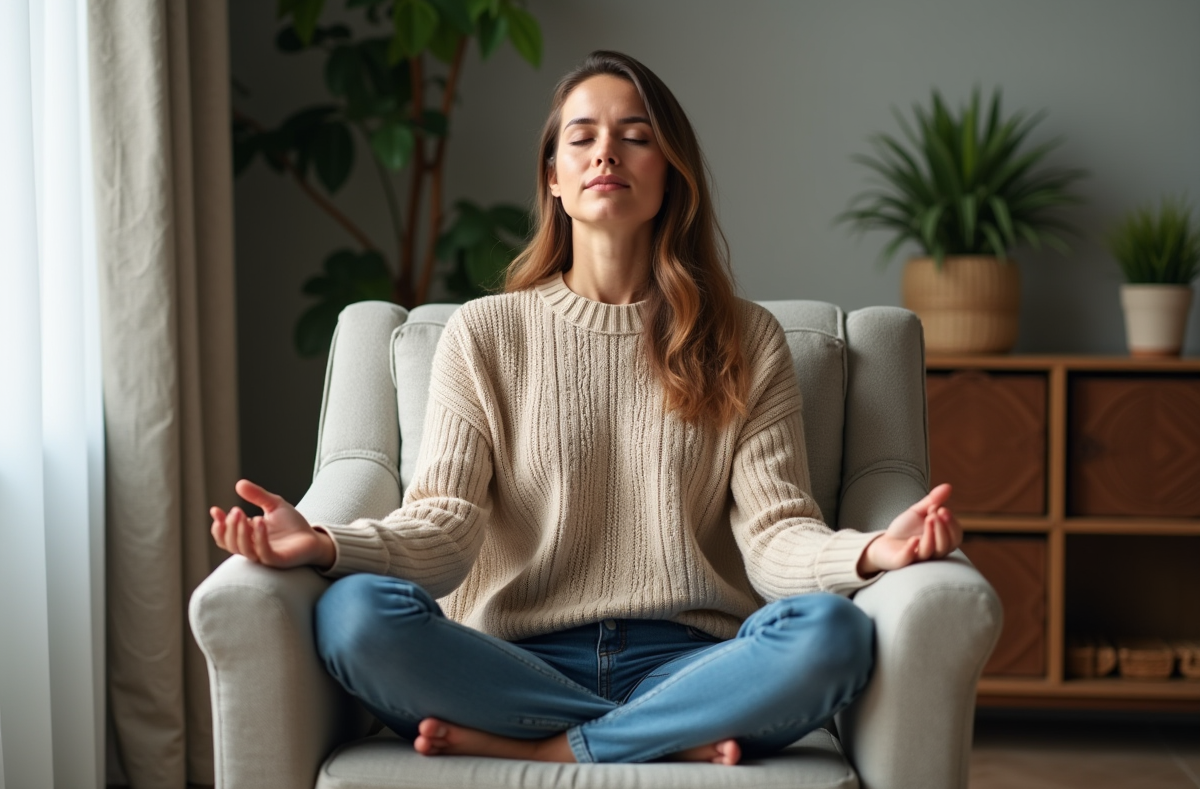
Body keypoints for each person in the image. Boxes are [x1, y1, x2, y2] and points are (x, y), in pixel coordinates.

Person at [209, 50, 962, 767]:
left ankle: (549, 746)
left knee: (831, 632)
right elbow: (444, 525)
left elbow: (775, 534)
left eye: (636, 137)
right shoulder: (485, 334)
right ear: (555, 177)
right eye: (582, 138)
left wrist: (870, 553)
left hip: (691, 662)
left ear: (671, 172)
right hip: (513, 661)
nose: (606, 153)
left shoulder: (744, 337)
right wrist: (325, 543)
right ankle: (661, 737)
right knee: (354, 618)